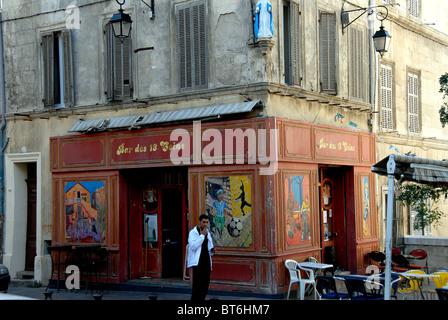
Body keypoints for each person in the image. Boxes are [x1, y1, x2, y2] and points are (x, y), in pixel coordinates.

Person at [187, 214, 215, 300]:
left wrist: (212, 250)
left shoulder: (207, 232)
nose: (205, 224)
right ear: (199, 222)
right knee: (197, 284)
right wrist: (202, 235)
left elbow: (209, 245)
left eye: (207, 222)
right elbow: (193, 246)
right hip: (197, 262)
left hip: (206, 261)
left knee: (206, 283)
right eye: (203, 222)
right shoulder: (193, 232)